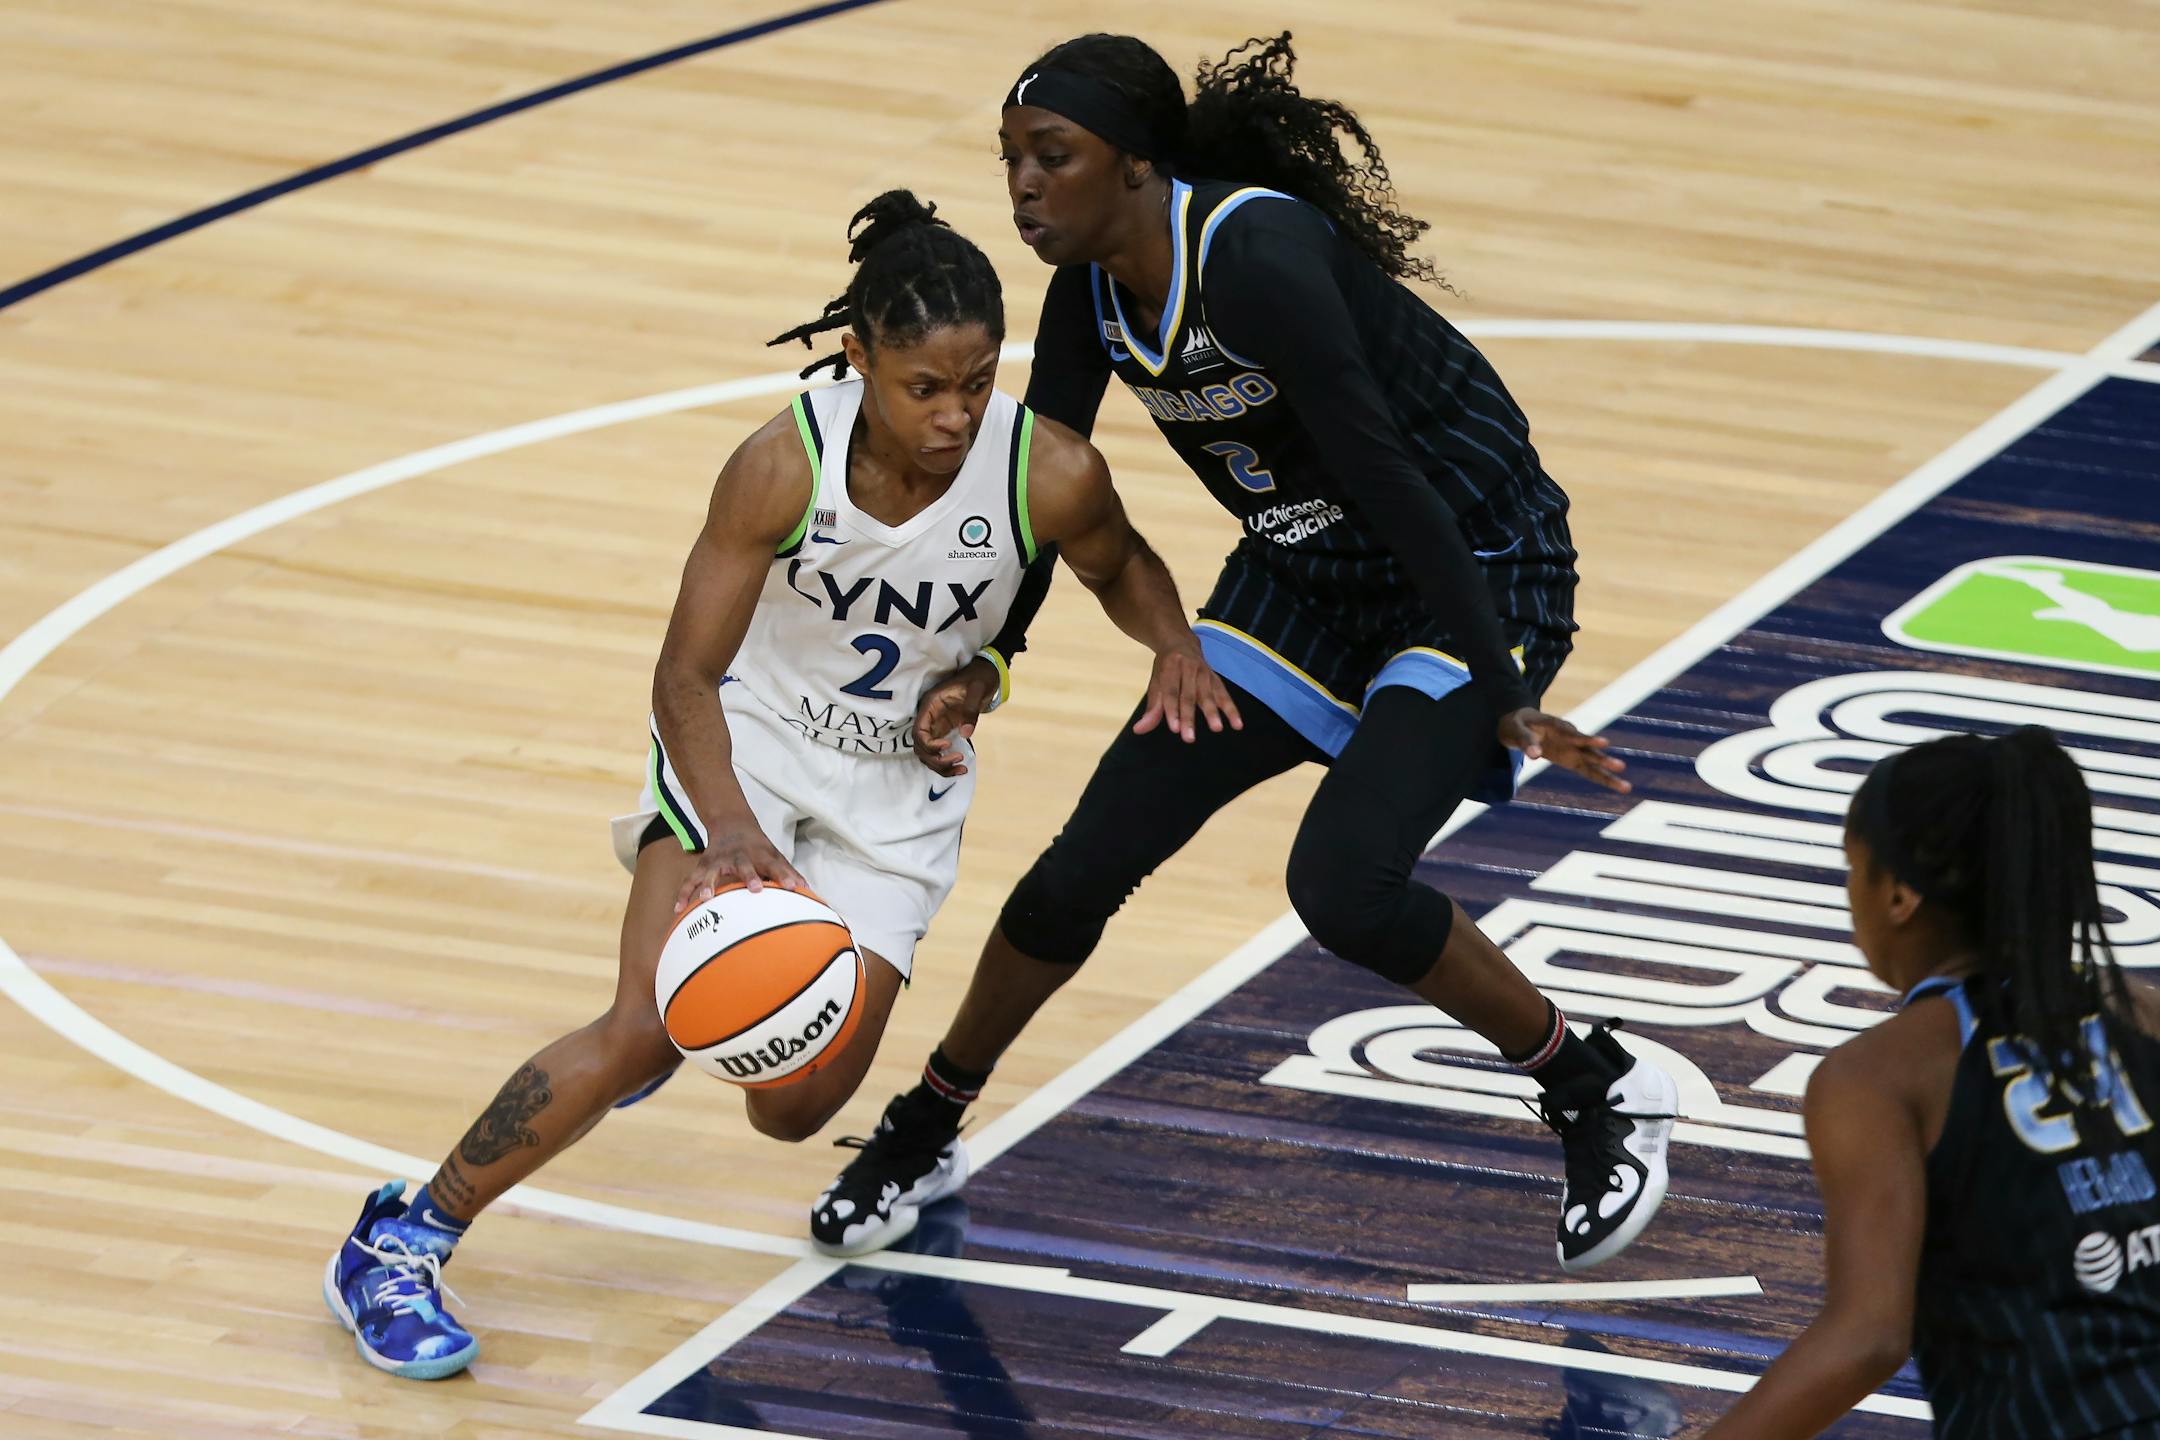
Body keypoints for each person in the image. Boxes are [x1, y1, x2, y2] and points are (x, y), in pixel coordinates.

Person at [321, 190, 1236, 1380]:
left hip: (898, 790)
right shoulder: (780, 465)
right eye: (924, 387)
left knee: (791, 1106)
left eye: (976, 382)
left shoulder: (1048, 471)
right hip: (746, 745)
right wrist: (728, 832)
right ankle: (401, 1238)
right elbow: (685, 676)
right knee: (642, 1031)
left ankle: (703, 1010)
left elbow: (1118, 566)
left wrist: (1171, 643)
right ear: (859, 358)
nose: (955, 414)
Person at [809, 33, 1678, 1274]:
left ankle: (1596, 1086)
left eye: (1052, 156)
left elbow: (1388, 471)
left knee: (1345, 886)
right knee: (1076, 873)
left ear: (1137, 163)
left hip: (1472, 568)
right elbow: (1039, 494)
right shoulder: (1089, 295)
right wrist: (988, 668)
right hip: (1302, 581)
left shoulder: (1256, 256)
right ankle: (927, 1123)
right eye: (1010, 160)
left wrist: (1501, 685)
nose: (1024, 186)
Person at [1704, 727, 2160, 1438]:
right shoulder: (2142, 1012)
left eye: (1853, 867)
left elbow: (1868, 1337)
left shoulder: (1879, 1076)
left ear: (1898, 896)